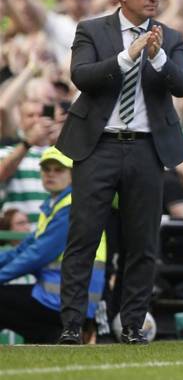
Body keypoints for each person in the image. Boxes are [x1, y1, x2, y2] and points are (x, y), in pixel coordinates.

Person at [56, 0, 183, 345]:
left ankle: (132, 325)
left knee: (143, 242)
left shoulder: (170, 37)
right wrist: (126, 57)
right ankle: (71, 325)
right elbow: (80, 76)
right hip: (97, 145)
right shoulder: (92, 29)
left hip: (147, 148)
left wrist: (157, 57)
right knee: (83, 237)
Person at [0, 147, 106, 344]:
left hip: (64, 299)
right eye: (46, 169)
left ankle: (54, 335)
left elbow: (37, 255)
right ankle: (51, 337)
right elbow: (22, 250)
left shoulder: (71, 207)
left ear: (73, 175)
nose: (50, 174)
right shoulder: (55, 206)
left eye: (58, 170)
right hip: (59, 296)